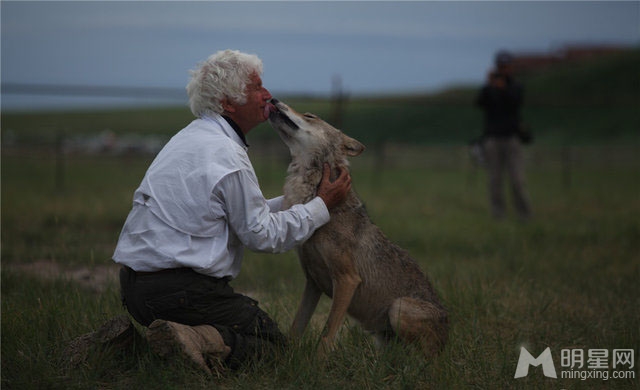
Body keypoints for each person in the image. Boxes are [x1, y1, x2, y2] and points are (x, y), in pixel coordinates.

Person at [112, 49, 352, 371]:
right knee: (272, 348)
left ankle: (125, 348)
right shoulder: (226, 155)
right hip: (179, 290)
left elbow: (243, 216)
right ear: (227, 102)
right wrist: (322, 206)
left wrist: (305, 199)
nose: (267, 94)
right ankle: (196, 340)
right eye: (256, 87)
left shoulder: (191, 138)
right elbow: (261, 235)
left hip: (135, 291)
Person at [475, 50, 531, 220]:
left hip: (511, 138)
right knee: (494, 180)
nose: (504, 70)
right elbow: (480, 102)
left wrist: (503, 88)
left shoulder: (516, 86)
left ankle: (524, 214)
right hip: (493, 138)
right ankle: (498, 215)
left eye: (507, 66)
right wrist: (490, 85)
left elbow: (515, 103)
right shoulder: (490, 88)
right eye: (501, 66)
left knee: (517, 180)